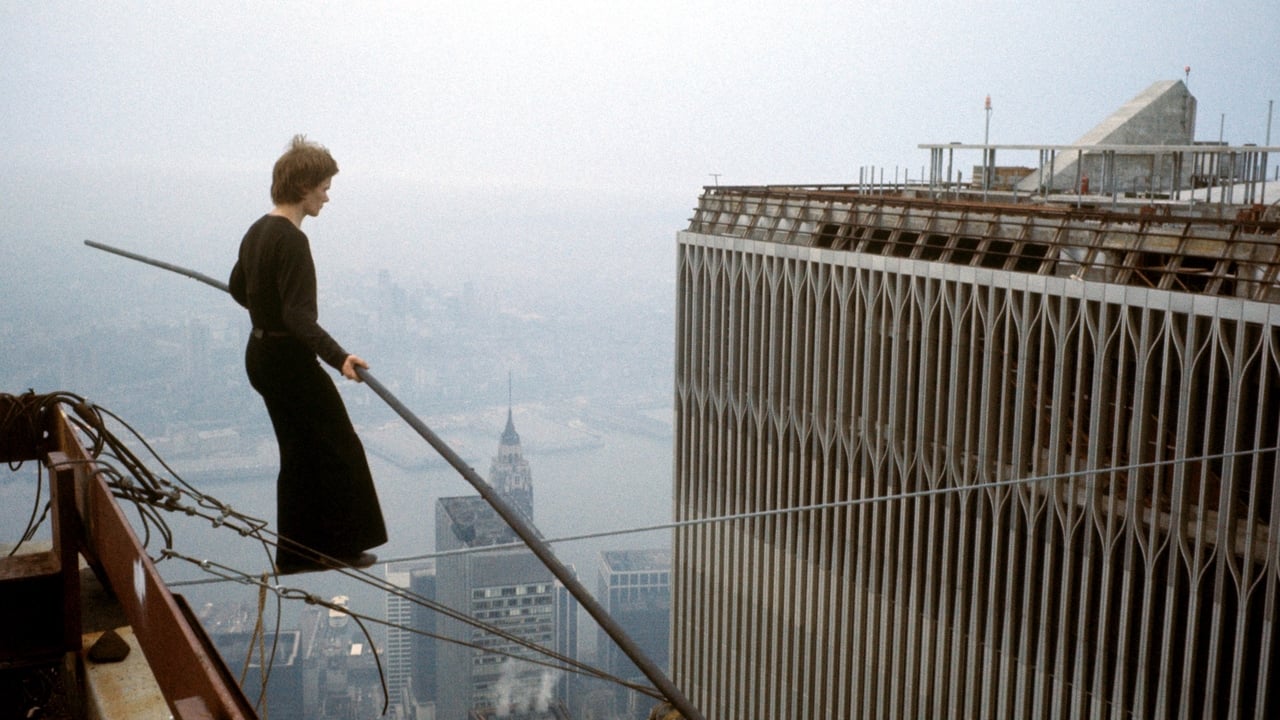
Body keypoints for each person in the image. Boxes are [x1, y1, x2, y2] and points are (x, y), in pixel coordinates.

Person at [229, 135, 387, 574]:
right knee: (341, 448)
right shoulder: (294, 242)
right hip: (287, 362)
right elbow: (299, 317)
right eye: (323, 186)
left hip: (259, 355)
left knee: (298, 454)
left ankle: (297, 554)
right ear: (303, 188)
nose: (327, 196)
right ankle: (341, 546)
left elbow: (238, 288)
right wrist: (340, 359)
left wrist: (267, 311)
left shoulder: (257, 230)